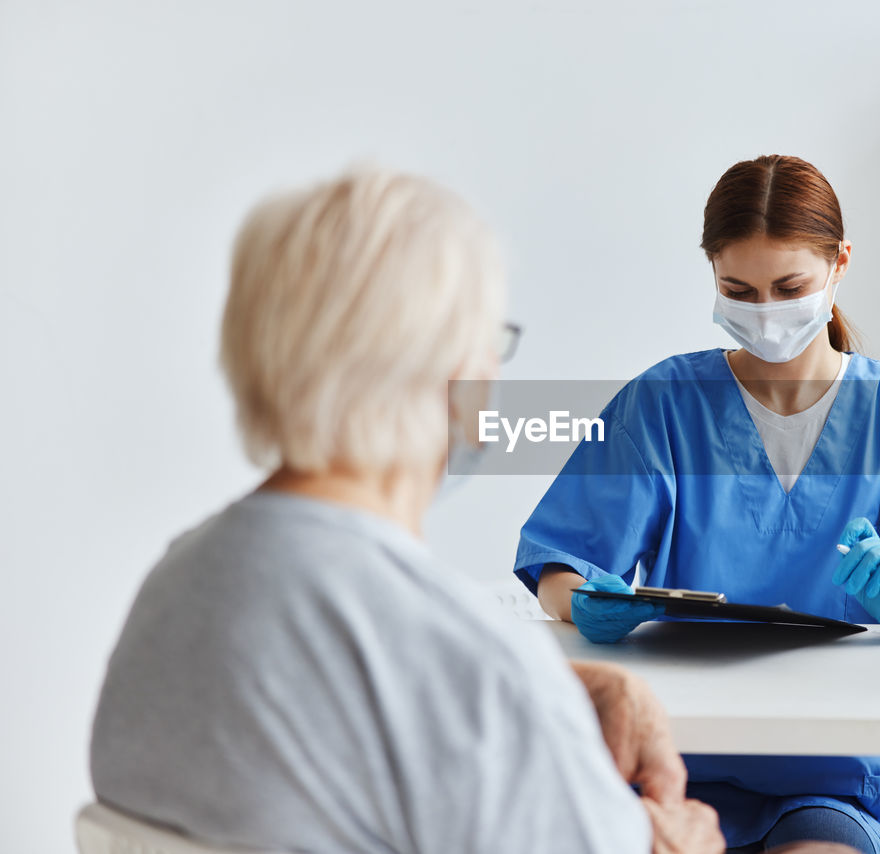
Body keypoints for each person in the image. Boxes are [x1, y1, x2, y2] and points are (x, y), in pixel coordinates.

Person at [89, 167, 738, 854]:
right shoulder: (471, 665)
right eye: (489, 341)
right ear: (451, 375)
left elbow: (331, 715)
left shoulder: (173, 591)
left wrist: (561, 687)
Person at [514, 154, 880, 854]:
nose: (764, 314)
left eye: (788, 288)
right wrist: (584, 602)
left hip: (838, 774)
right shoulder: (664, 404)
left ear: (840, 262)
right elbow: (558, 566)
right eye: (739, 289)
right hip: (676, 766)